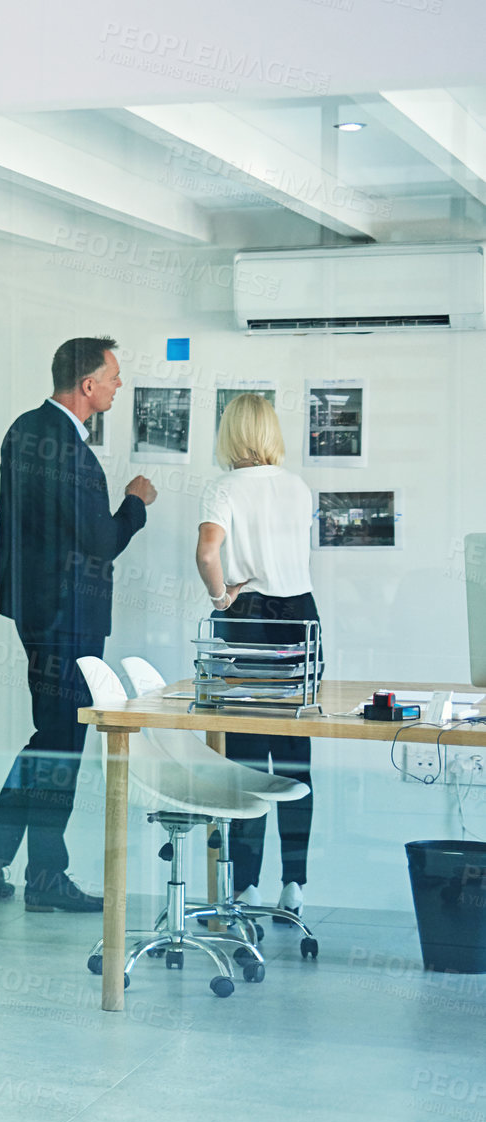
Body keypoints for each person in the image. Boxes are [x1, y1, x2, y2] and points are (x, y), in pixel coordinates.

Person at [0, 337, 158, 912]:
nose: (119, 385)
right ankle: (42, 876)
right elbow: (99, 544)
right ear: (88, 385)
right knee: (62, 743)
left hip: (39, 610)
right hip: (68, 618)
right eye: (115, 376)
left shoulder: (25, 429)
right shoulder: (67, 448)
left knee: (50, 740)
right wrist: (136, 504)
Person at [198, 392, 318, 916]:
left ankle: (246, 885)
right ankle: (295, 885)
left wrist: (220, 596)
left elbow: (207, 552)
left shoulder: (223, 486)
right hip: (300, 618)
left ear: (230, 434)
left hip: (247, 616)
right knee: (295, 758)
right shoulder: (297, 486)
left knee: (247, 759)